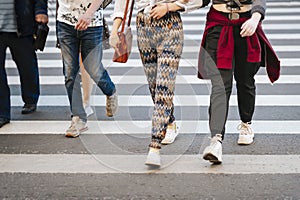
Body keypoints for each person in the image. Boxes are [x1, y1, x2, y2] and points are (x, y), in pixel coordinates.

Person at [107, 0, 204, 167]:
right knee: (154, 86)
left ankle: (155, 146)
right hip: (144, 28)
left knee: (164, 86)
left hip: (170, 26)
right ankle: (170, 120)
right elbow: (122, 4)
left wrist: (168, 7)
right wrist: (114, 30)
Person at [198, 0, 280, 164]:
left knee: (245, 81)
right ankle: (216, 140)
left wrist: (256, 18)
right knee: (220, 85)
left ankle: (246, 123)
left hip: (247, 24)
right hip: (218, 25)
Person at [56, 0, 118, 138]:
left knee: (93, 68)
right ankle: (78, 118)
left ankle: (110, 90)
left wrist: (89, 14)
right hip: (65, 22)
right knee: (70, 73)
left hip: (92, 23)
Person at [0, 0, 48, 128]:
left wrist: (41, 11)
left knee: (27, 66)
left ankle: (30, 99)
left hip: (21, 25)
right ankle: (2, 113)